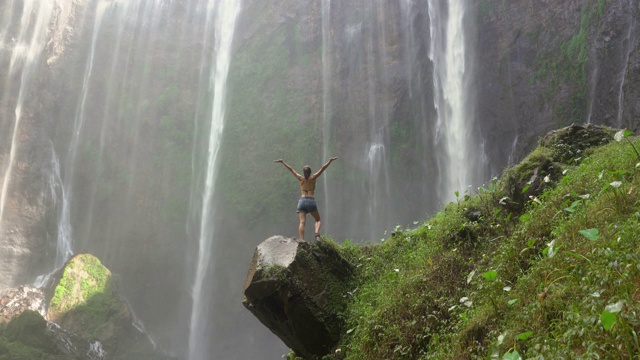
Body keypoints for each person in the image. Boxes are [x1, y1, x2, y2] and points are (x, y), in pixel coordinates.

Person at [274, 157, 338, 240]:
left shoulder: (300, 178)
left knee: (302, 222)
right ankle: (317, 234)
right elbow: (322, 169)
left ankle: (302, 240)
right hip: (311, 201)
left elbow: (291, 169)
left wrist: (283, 162)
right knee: (318, 220)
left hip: (302, 201)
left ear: (303, 173)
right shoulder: (313, 178)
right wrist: (330, 161)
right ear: (310, 172)